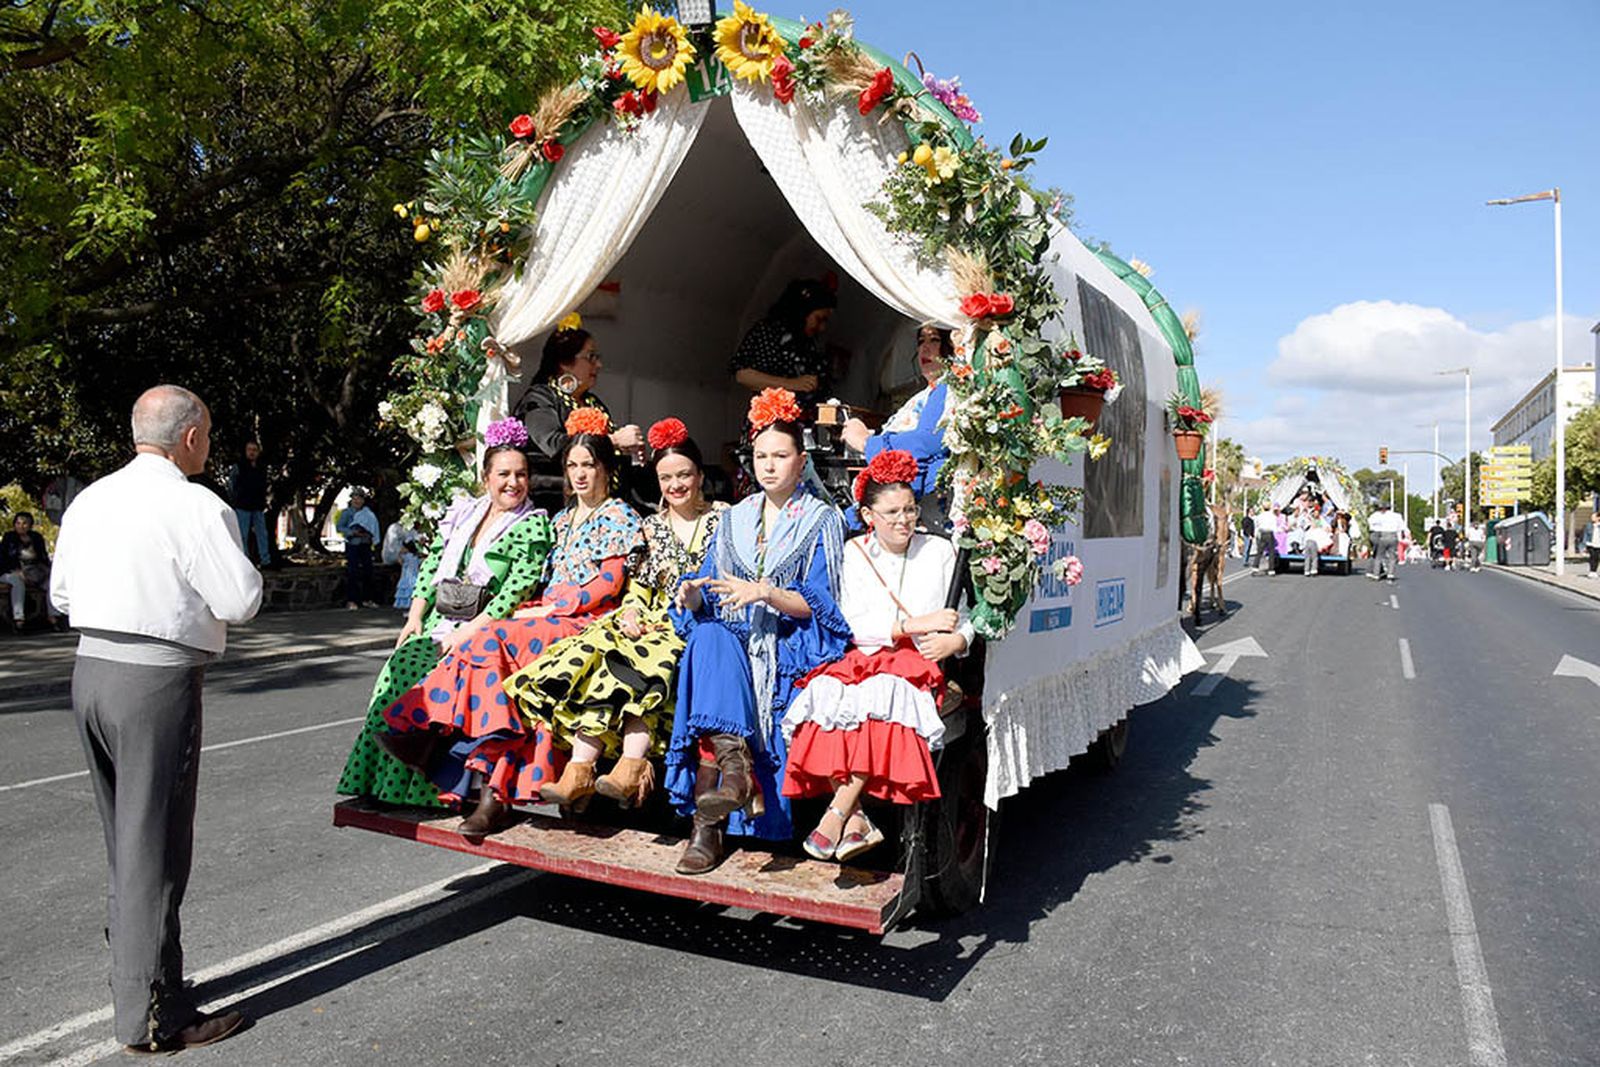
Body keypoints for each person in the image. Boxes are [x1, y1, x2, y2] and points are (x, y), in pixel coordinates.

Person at [49, 385, 261, 1053]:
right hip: (153, 681)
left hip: (92, 672)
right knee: (157, 849)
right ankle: (152, 1015)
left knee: (127, 842)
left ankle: (146, 983)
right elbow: (241, 596)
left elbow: (59, 592)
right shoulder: (194, 504)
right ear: (191, 437)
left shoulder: (91, 499)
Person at [377, 413, 642, 835]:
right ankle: (475, 779)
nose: (579, 474)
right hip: (544, 614)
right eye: (572, 465)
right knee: (487, 654)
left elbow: (608, 582)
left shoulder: (620, 516)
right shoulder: (560, 520)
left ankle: (453, 761)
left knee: (488, 637)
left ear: (607, 468)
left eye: (588, 465)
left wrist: (554, 608)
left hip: (582, 620)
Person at [666, 388, 850, 875]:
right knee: (706, 638)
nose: (769, 466)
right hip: (735, 635)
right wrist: (692, 596)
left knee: (718, 671)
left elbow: (821, 604)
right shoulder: (735, 516)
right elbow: (710, 585)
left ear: (800, 459)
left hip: (787, 643)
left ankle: (709, 827)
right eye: (761, 456)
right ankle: (733, 774)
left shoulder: (821, 519)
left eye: (780, 456)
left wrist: (765, 593)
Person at [505, 418, 729, 809]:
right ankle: (579, 769)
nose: (675, 485)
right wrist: (630, 612)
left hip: (698, 619)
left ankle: (630, 764)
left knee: (642, 662)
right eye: (665, 478)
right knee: (598, 648)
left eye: (684, 475)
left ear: (699, 475)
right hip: (650, 615)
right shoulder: (651, 526)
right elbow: (638, 586)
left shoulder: (723, 519)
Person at [336, 419, 554, 811]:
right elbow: (434, 563)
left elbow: (513, 592)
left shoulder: (531, 525)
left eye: (521, 475)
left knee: (422, 675)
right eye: (504, 473)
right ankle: (379, 785)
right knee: (396, 673)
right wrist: (415, 616)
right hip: (443, 620)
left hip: (486, 627)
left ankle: (426, 792)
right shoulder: (465, 513)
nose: (513, 482)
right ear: (486, 477)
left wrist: (465, 633)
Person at [781, 450, 971, 861]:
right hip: (865, 653)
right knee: (824, 706)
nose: (904, 519)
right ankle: (856, 818)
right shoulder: (853, 553)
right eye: (891, 512)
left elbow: (966, 617)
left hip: (916, 660)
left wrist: (957, 642)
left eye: (909, 509)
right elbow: (851, 623)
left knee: (880, 709)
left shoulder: (939, 550)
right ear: (868, 515)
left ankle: (837, 817)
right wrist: (911, 624)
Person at [512, 320, 645, 510]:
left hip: (604, 501)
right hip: (557, 502)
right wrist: (614, 440)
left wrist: (630, 452)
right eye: (590, 357)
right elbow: (553, 444)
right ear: (565, 362)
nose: (598, 364)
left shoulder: (593, 403)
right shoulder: (539, 398)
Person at [838, 324, 954, 528]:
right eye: (921, 341)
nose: (924, 349)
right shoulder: (928, 393)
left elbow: (927, 441)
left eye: (934, 340)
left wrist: (867, 442)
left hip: (923, 515)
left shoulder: (949, 388)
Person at [729, 278, 838, 403]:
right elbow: (743, 376)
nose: (822, 328)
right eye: (819, 319)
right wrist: (791, 383)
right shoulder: (769, 331)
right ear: (803, 311)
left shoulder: (810, 342)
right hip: (775, 417)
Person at [0, 511, 64, 630]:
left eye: (25, 523)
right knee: (17, 582)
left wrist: (47, 570)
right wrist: (17, 571)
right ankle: (19, 619)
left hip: (34, 571)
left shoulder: (36, 538)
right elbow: (4, 559)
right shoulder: (9, 538)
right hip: (10, 572)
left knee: (51, 583)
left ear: (30, 525)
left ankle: (54, 617)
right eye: (18, 523)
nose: (21, 526)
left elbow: (43, 558)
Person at [336, 489, 379, 608]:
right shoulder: (347, 513)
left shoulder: (368, 513)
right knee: (352, 572)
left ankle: (367, 599)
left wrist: (370, 534)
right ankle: (352, 600)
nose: (357, 501)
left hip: (365, 543)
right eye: (355, 498)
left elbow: (373, 527)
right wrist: (352, 532)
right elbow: (340, 527)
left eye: (359, 498)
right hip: (352, 544)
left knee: (368, 571)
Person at [229, 440, 270, 566]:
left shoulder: (261, 468)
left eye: (254, 450)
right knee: (242, 535)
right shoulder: (239, 466)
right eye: (249, 450)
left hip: (257, 505)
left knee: (262, 534)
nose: (252, 452)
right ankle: (244, 561)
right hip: (243, 505)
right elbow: (232, 485)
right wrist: (235, 500)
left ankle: (265, 560)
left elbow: (264, 486)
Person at [1368, 501, 1402, 581]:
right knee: (1392, 556)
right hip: (1393, 535)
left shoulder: (1380, 516)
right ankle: (1390, 574)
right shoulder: (1397, 516)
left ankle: (1376, 574)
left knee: (1379, 556)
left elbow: (1372, 524)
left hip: (1383, 535)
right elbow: (1401, 527)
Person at [1251, 502, 1279, 575]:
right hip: (1269, 533)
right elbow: (1274, 527)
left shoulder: (1260, 516)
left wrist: (1256, 534)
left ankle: (1255, 567)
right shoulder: (1272, 516)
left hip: (1262, 533)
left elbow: (1257, 526)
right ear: (1270, 508)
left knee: (1259, 551)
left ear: (1263, 508)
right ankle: (1271, 570)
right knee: (1271, 552)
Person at [1584, 513, 1600, 579]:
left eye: (1594, 517)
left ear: (1598, 518)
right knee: (1592, 557)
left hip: (1598, 544)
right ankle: (1592, 571)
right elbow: (1586, 534)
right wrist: (1584, 543)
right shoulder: (1589, 525)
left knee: (1596, 557)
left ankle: (1595, 571)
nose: (1592, 518)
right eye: (1592, 517)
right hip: (1590, 544)